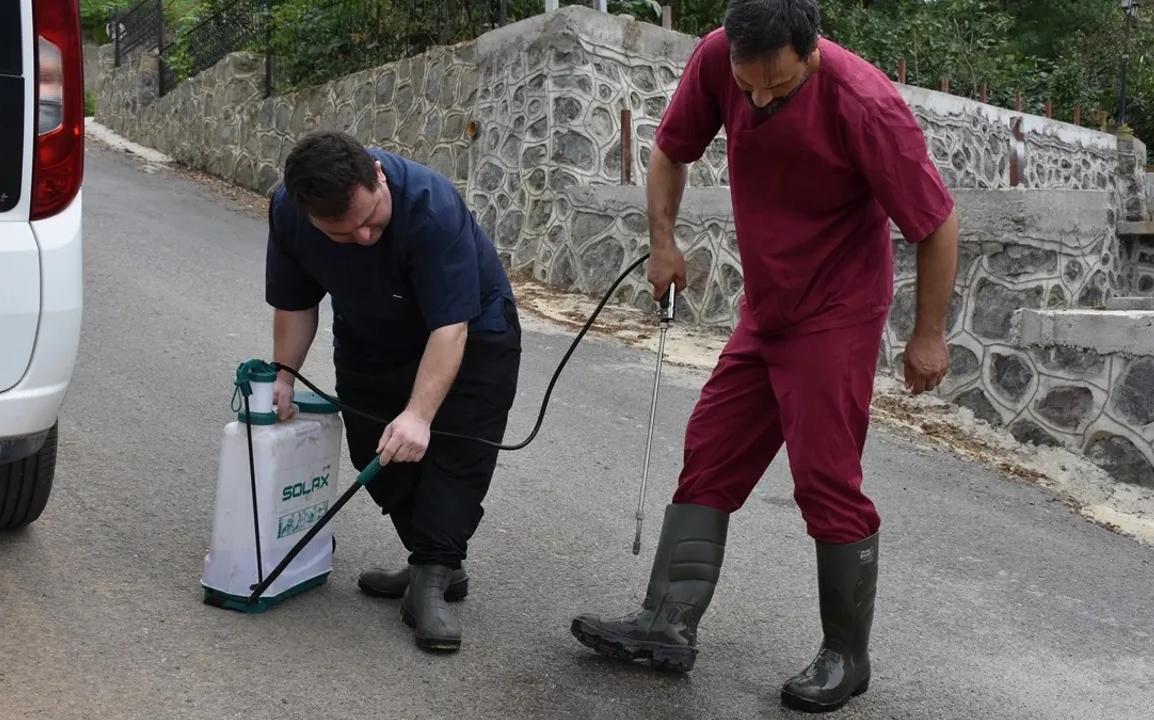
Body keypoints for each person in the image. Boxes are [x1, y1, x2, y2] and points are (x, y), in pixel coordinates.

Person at [568, 0, 959, 713]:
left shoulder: (866, 104)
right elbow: (670, 151)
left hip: (838, 309)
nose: (758, 103)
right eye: (747, 87)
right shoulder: (719, 57)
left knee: (825, 479)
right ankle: (666, 622)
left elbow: (936, 223)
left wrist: (928, 335)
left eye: (777, 88)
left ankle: (847, 656)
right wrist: (663, 242)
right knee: (712, 445)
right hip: (768, 305)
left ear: (812, 50)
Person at [264, 129, 522, 652]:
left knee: (456, 455)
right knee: (377, 450)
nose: (364, 238)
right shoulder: (289, 212)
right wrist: (283, 376)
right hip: (371, 336)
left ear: (378, 175)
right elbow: (296, 302)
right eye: (343, 234)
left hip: (472, 333)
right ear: (310, 218)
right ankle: (436, 563)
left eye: (371, 220)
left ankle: (431, 573)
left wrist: (420, 415)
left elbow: (450, 327)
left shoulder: (431, 206)